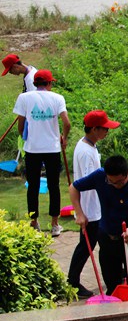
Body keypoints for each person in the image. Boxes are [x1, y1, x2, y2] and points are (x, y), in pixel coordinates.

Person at [70, 155, 128, 293]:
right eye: (110, 181)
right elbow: (74, 188)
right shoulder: (100, 176)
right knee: (112, 286)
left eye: (119, 182)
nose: (114, 185)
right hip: (106, 238)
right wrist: (80, 214)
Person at [66, 110, 121, 299]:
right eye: (105, 129)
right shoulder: (86, 152)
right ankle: (72, 281)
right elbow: (94, 181)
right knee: (87, 246)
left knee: (98, 242)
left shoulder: (89, 146)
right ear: (95, 129)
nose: (107, 132)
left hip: (93, 207)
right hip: (90, 208)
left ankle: (115, 273)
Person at [13, 69, 71, 235]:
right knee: (54, 186)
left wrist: (27, 139)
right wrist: (64, 139)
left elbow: (21, 126)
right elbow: (66, 123)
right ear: (49, 83)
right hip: (52, 148)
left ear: (35, 83)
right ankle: (54, 224)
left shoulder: (24, 98)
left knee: (33, 186)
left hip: (32, 149)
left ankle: (34, 222)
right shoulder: (57, 98)